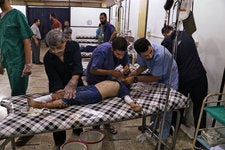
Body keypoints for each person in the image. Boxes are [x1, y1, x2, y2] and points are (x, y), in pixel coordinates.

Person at [125, 37, 179, 149]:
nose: (149, 56)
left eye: (150, 52)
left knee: (165, 109)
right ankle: (152, 127)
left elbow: (154, 78)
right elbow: (143, 66)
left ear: (151, 45)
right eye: (145, 55)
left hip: (169, 79)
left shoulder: (160, 54)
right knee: (155, 105)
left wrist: (135, 79)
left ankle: (162, 139)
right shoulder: (141, 51)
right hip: (158, 77)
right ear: (140, 54)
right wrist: (133, 73)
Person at [161, 25, 208, 149]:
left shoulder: (167, 40)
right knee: (200, 107)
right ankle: (200, 141)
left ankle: (173, 130)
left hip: (184, 77)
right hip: (200, 75)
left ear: (166, 33)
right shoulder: (187, 34)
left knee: (179, 105)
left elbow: (165, 61)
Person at [0, 0, 34, 146]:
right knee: (17, 96)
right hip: (8, 61)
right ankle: (23, 126)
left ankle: (27, 130)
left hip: (19, 62)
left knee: (17, 96)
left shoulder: (17, 15)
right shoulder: (1, 17)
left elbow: (27, 41)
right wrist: (0, 61)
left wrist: (28, 64)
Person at [44, 29, 83, 148]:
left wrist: (73, 83)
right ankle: (59, 143)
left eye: (59, 47)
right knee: (58, 114)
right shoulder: (48, 58)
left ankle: (78, 132)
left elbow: (77, 66)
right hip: (58, 88)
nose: (56, 51)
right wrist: (61, 94)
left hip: (76, 83)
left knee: (77, 112)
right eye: (52, 48)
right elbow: (54, 78)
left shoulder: (74, 46)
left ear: (65, 41)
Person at [86, 36, 130, 134]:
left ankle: (107, 123)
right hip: (95, 78)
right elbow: (93, 69)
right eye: (118, 54)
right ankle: (96, 127)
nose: (120, 57)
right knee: (97, 102)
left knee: (108, 103)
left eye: (122, 54)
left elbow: (125, 61)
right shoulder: (102, 51)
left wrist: (126, 66)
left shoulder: (122, 51)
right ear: (112, 49)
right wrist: (111, 72)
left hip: (107, 78)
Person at [27, 80, 142, 112]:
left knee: (70, 98)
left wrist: (134, 105)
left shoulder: (123, 89)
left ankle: (42, 105)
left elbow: (127, 98)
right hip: (91, 87)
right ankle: (40, 99)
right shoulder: (117, 80)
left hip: (96, 95)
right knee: (66, 92)